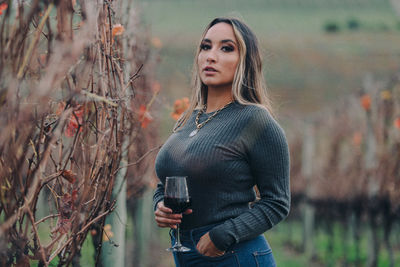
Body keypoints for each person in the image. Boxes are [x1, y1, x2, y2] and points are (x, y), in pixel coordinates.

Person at [153, 17, 290, 267]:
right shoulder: (190, 119)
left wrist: (221, 236)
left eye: (226, 48)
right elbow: (167, 181)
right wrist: (160, 204)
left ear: (245, 62)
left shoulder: (256, 120)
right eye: (206, 47)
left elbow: (277, 202)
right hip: (185, 253)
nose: (211, 56)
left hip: (233, 255)